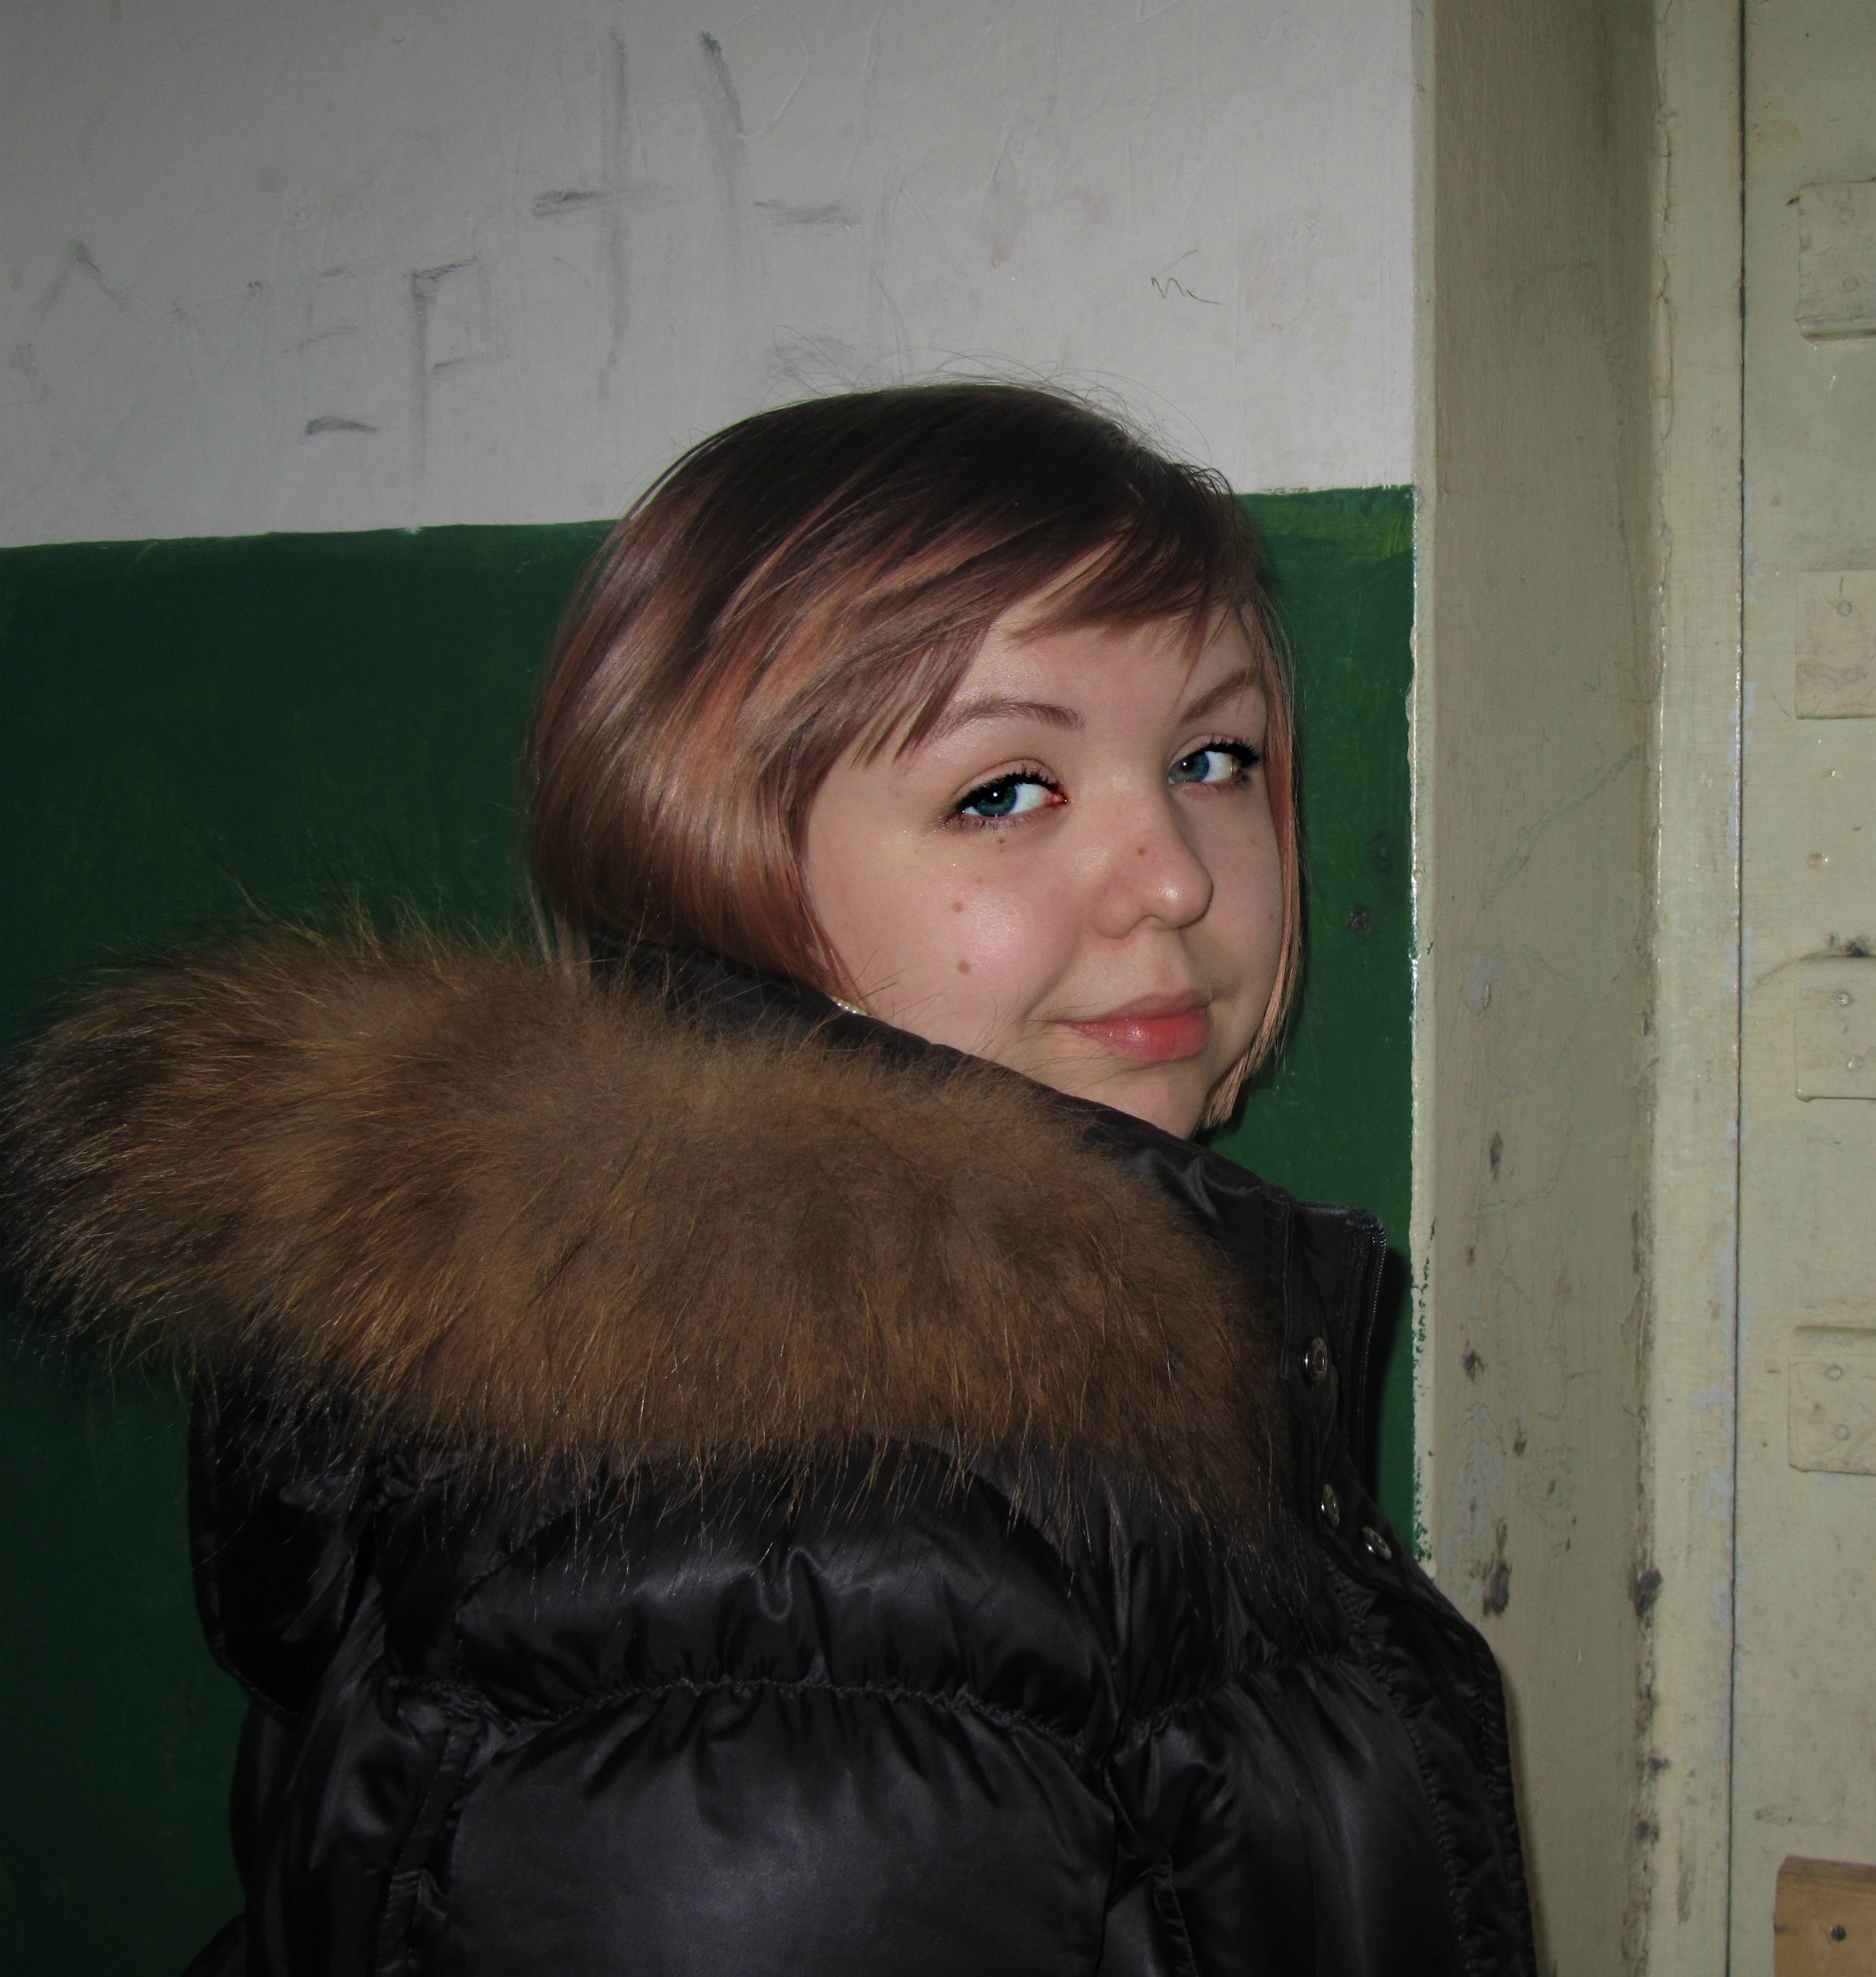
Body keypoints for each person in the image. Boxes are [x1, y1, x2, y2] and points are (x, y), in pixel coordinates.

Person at [6, 383, 1536, 1974]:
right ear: (710, 853)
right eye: (1004, 791)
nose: (1174, 879)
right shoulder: (787, 1599)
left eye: (1213, 757)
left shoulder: (1005, 1421)